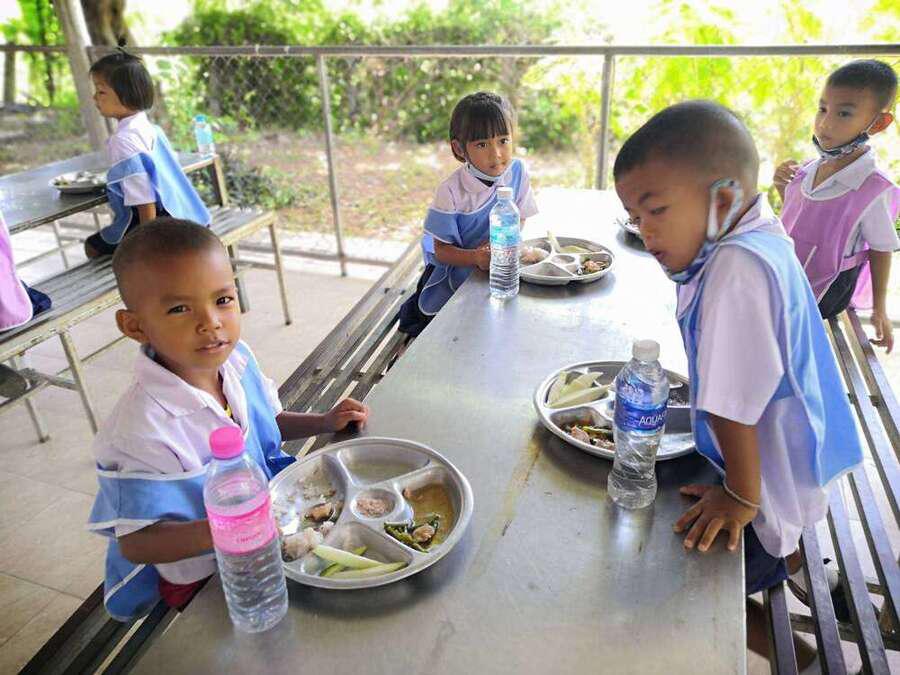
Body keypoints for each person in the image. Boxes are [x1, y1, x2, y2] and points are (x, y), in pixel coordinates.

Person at [614, 100, 863, 672]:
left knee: (690, 587)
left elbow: (732, 407)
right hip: (792, 466)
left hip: (764, 488)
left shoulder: (734, 270)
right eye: (634, 216)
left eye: (656, 210)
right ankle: (814, 599)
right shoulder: (758, 233)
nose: (645, 232)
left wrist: (741, 498)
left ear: (723, 200)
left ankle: (808, 663)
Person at [87, 218, 369, 620]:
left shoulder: (235, 359)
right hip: (207, 573)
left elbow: (265, 423)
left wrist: (323, 422)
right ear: (135, 326)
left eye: (222, 300)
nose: (211, 322)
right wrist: (228, 527)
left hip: (273, 526)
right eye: (179, 308)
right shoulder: (140, 430)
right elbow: (136, 543)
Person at [774, 60, 899, 350]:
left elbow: (881, 248)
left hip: (826, 290)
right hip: (791, 274)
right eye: (822, 109)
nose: (825, 123)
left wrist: (879, 308)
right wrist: (785, 188)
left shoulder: (871, 188)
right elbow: (809, 220)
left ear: (878, 124)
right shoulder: (808, 169)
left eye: (844, 113)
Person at [397, 91, 538, 337]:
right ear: (459, 149)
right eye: (482, 144)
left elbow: (520, 216)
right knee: (449, 334)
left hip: (496, 271)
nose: (496, 154)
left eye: (503, 140)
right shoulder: (450, 191)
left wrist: (502, 243)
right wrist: (475, 257)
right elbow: (439, 249)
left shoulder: (517, 171)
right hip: (455, 273)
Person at [85, 49, 210, 258]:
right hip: (184, 214)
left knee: (92, 246)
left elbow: (144, 200)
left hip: (157, 223)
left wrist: (148, 245)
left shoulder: (123, 140)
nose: (94, 97)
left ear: (127, 96)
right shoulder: (151, 129)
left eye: (101, 92)